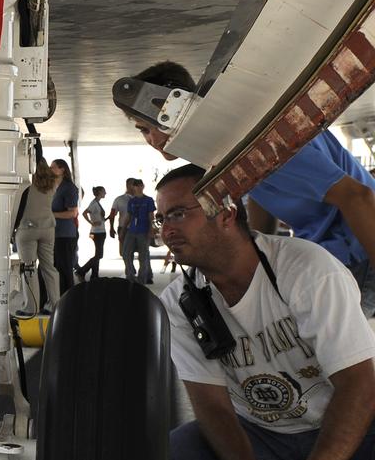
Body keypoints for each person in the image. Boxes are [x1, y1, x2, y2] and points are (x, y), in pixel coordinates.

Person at [157, 164, 375, 460]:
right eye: (162, 219)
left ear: (225, 212)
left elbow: (359, 384)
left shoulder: (305, 270)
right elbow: (211, 406)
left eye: (179, 214)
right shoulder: (180, 301)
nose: (167, 229)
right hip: (266, 437)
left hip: (354, 431)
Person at [120, 60, 375, 315]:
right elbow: (261, 193)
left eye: (145, 129)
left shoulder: (260, 139)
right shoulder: (230, 142)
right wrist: (260, 261)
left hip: (359, 249)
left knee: (315, 347)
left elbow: (357, 196)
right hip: (335, 248)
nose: (150, 141)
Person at [12, 161, 59, 315]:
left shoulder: (24, 184)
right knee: (49, 268)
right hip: (48, 228)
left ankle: (31, 308)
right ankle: (54, 306)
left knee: (29, 268)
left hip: (27, 229)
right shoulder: (52, 183)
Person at [50, 158, 80, 294]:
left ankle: (68, 296)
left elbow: (72, 212)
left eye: (53, 167)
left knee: (65, 267)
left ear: (62, 169)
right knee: (54, 266)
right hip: (54, 232)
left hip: (66, 234)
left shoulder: (68, 188)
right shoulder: (51, 187)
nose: (51, 170)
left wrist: (52, 214)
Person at [123, 178, 155, 284]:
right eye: (136, 185)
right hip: (132, 230)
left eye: (140, 185)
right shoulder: (131, 201)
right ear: (133, 187)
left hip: (143, 231)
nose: (138, 187)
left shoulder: (148, 200)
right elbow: (129, 216)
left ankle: (142, 280)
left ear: (143, 186)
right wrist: (123, 229)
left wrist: (151, 229)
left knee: (143, 256)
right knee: (126, 253)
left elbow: (151, 216)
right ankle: (130, 276)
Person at [76, 185, 108, 280]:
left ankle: (94, 275)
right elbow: (84, 213)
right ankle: (82, 271)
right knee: (99, 255)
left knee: (97, 254)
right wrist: (91, 223)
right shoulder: (94, 204)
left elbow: (99, 219)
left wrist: (106, 219)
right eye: (104, 191)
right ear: (99, 193)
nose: (105, 193)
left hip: (100, 231)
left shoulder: (97, 203)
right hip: (97, 232)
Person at [108, 181, 134, 261]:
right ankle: (130, 267)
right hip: (123, 228)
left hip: (137, 228)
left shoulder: (140, 199)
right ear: (128, 185)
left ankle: (130, 269)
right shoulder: (119, 199)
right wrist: (111, 228)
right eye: (133, 184)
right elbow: (112, 215)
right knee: (123, 251)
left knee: (132, 250)